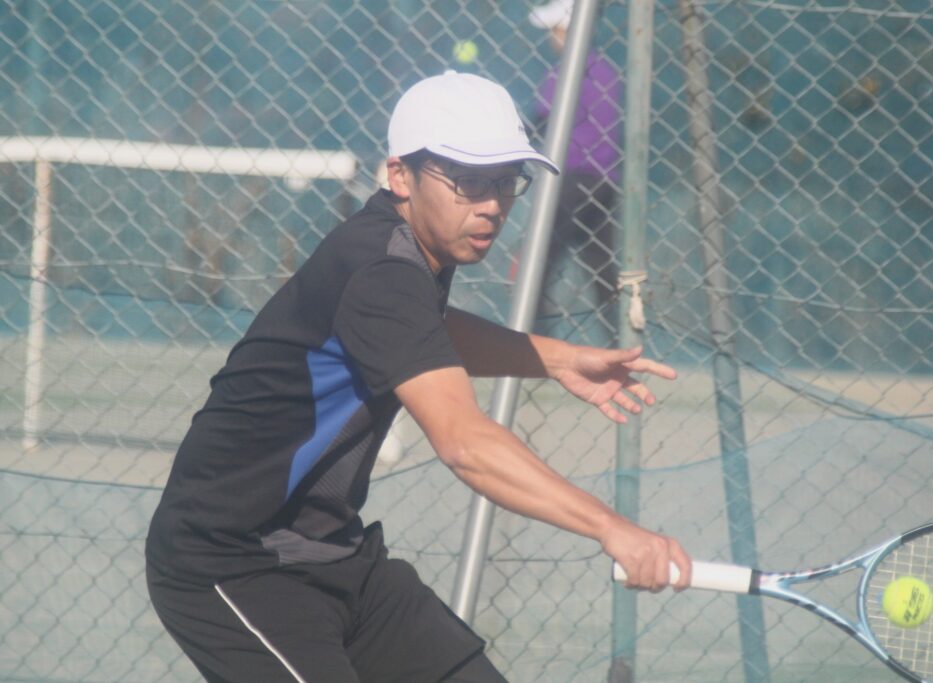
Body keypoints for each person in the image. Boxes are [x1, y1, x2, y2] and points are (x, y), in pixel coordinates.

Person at [145, 71, 690, 683]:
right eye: (468, 180)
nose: (492, 204)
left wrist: (559, 359)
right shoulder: (382, 270)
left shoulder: (407, 252)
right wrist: (611, 527)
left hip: (336, 555)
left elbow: (425, 331)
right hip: (232, 561)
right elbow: (465, 444)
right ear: (400, 176)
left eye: (506, 180)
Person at [529, 0, 623, 345]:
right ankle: (620, 340)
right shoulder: (604, 69)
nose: (552, 38)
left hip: (572, 181)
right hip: (604, 181)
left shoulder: (566, 72)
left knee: (538, 262)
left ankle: (534, 343)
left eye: (555, 30)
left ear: (570, 30)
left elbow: (542, 120)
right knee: (602, 267)